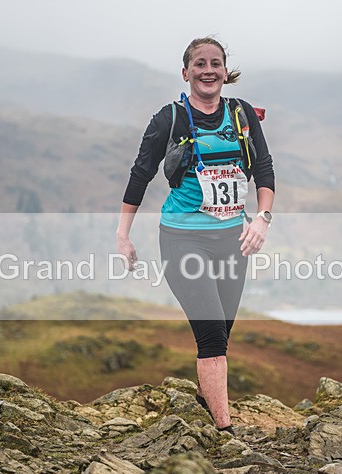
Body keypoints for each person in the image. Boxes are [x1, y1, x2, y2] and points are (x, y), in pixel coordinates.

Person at [117, 37, 275, 434]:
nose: (208, 70)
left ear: (225, 71)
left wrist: (261, 219)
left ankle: (207, 404)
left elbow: (265, 170)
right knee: (212, 336)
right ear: (186, 72)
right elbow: (141, 174)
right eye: (199, 63)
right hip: (182, 239)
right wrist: (123, 235)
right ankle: (225, 431)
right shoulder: (169, 118)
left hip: (232, 240)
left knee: (222, 330)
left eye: (216, 63)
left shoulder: (241, 115)